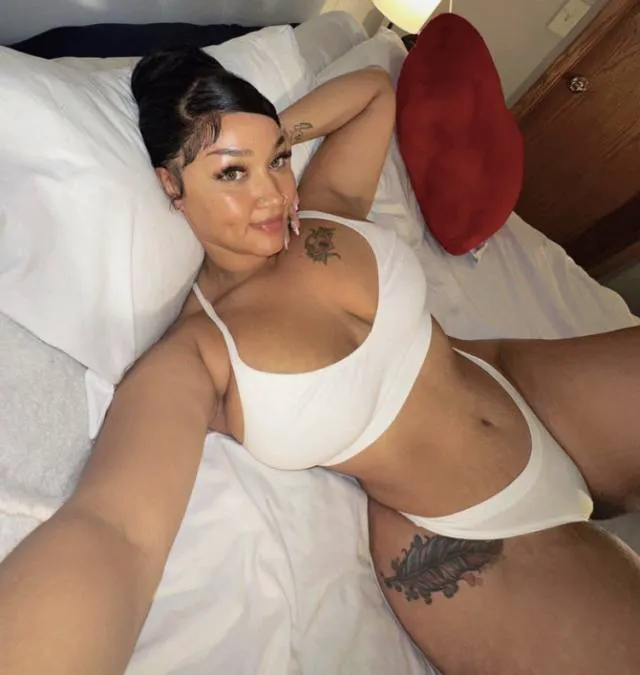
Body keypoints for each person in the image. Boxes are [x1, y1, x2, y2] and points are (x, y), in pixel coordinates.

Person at [0, 46, 638, 675]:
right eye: (231, 174)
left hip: (520, 383)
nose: (273, 195)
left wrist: (274, 137)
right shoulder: (197, 355)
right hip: (466, 534)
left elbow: (373, 91)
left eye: (277, 162)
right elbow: (116, 532)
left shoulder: (322, 210)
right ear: (171, 185)